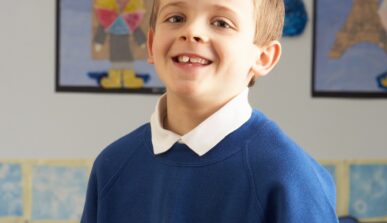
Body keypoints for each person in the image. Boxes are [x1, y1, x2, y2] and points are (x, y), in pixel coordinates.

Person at [81, 0, 339, 222]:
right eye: (176, 18)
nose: (192, 31)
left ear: (263, 58)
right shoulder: (111, 166)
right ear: (151, 44)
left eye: (221, 23)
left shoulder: (291, 178)